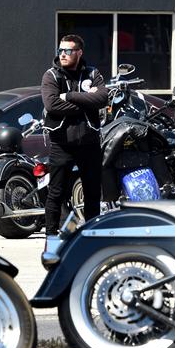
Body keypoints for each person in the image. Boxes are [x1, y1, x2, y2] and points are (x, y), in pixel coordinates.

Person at [41, 34, 108, 235]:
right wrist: (86, 102)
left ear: (79, 52)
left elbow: (102, 98)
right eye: (60, 50)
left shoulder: (92, 73)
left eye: (68, 51)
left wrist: (69, 96)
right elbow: (52, 104)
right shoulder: (51, 76)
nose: (63, 54)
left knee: (93, 192)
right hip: (63, 143)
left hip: (89, 143)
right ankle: (51, 236)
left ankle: (91, 235)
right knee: (56, 192)